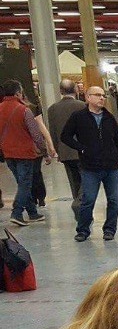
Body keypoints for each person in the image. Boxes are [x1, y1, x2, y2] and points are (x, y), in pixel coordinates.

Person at [61, 86, 118, 242]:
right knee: (88, 199)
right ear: (88, 97)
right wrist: (81, 148)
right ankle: (83, 230)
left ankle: (109, 229)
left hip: (111, 167)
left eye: (103, 95)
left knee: (113, 200)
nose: (101, 98)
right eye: (98, 95)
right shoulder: (78, 117)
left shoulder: (109, 117)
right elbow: (65, 136)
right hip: (90, 167)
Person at [0, 79, 49, 226]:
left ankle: (33, 213)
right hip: (25, 153)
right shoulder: (24, 110)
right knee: (25, 184)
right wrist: (44, 150)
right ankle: (17, 213)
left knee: (22, 183)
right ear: (17, 93)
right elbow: (36, 134)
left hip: (8, 153)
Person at [47, 78, 87, 221]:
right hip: (83, 151)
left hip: (65, 152)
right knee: (87, 181)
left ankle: (80, 212)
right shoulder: (83, 106)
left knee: (74, 181)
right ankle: (79, 204)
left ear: (60, 91)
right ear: (76, 90)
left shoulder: (52, 109)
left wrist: (57, 151)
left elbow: (53, 132)